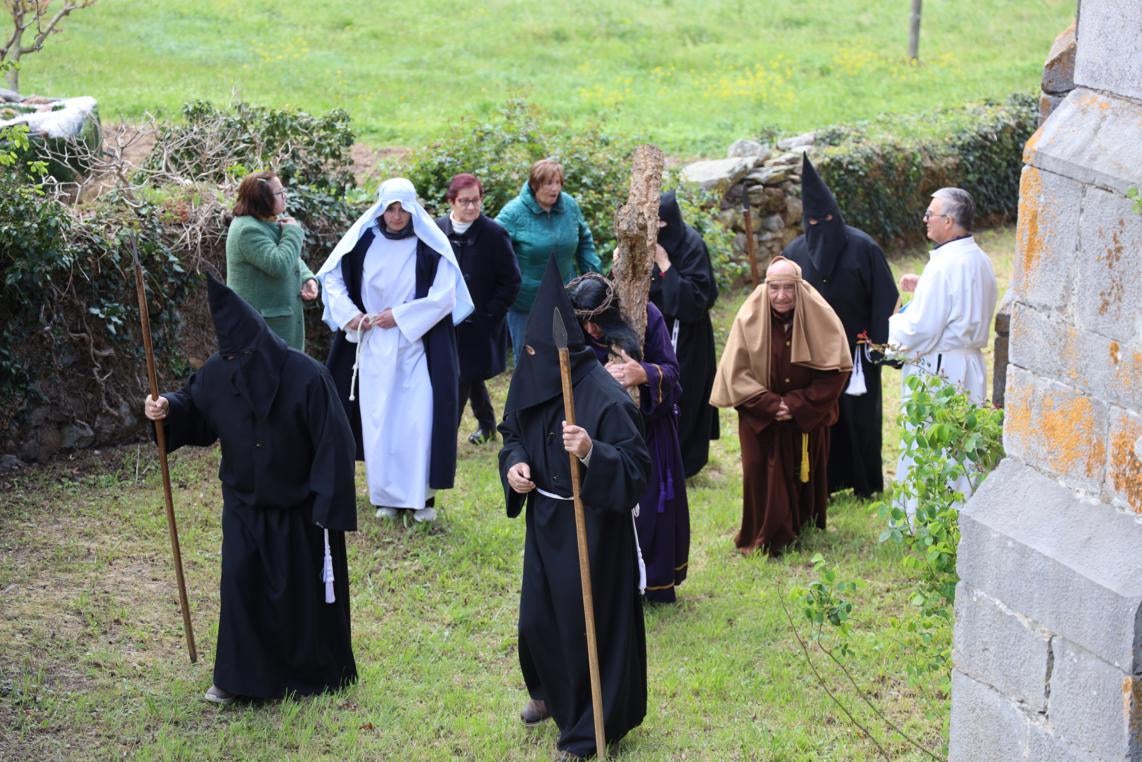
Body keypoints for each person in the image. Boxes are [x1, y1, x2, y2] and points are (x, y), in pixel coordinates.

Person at [143, 276, 358, 704]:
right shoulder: (218, 372)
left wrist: (328, 507)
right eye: (231, 357)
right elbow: (195, 409)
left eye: (246, 356)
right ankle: (238, 680)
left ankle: (309, 677)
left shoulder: (307, 377)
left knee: (299, 595)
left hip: (299, 509)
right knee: (240, 583)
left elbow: (336, 442)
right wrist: (166, 408)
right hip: (243, 504)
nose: (239, 365)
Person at [499, 256, 651, 759]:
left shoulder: (607, 399)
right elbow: (513, 432)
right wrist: (515, 465)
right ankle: (548, 693)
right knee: (538, 620)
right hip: (545, 519)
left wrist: (590, 450)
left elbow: (636, 471)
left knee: (588, 626)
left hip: (593, 530)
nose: (531, 359)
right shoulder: (536, 377)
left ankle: (590, 727)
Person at [317, 178, 474, 523]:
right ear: (381, 208)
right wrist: (352, 315)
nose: (397, 215)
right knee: (380, 420)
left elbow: (445, 295)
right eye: (391, 207)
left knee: (417, 420)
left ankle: (420, 499)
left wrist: (399, 317)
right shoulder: (363, 243)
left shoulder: (430, 245)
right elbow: (331, 278)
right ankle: (384, 496)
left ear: (413, 208)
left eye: (403, 207)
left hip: (417, 346)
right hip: (374, 346)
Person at [710, 257, 852, 555]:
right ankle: (763, 533)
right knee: (758, 471)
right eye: (774, 288)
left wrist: (798, 404)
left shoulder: (820, 314)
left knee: (803, 471)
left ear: (799, 288)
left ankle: (802, 525)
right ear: (766, 287)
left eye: (788, 288)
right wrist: (772, 405)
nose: (781, 296)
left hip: (805, 418)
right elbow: (736, 373)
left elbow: (836, 370)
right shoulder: (748, 316)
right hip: (761, 418)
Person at [567, 272, 689, 604]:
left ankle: (656, 585)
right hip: (603, 441)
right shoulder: (574, 335)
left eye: (598, 321)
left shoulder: (647, 316)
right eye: (585, 322)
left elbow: (673, 374)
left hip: (651, 434)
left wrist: (644, 374)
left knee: (650, 509)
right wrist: (597, 382)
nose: (592, 330)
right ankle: (615, 588)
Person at [783, 154, 899, 498]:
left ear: (838, 215)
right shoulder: (794, 253)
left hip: (857, 352)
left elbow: (883, 300)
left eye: (828, 219)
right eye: (814, 221)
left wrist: (880, 347)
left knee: (859, 419)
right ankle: (823, 483)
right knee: (819, 419)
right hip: (812, 355)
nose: (822, 227)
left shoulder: (864, 248)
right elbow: (780, 301)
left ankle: (866, 483)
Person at [888, 187, 998, 515]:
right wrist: (925, 288)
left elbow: (921, 327)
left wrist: (890, 324)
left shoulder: (944, 265)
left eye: (930, 214)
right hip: (969, 364)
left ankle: (926, 518)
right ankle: (962, 513)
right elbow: (960, 303)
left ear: (948, 221)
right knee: (963, 446)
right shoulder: (979, 258)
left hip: (940, 368)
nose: (925, 220)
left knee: (932, 443)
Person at [435, 173, 521, 445]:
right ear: (451, 201)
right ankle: (487, 425)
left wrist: (488, 316)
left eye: (476, 201)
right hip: (444, 321)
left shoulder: (494, 234)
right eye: (465, 201)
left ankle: (446, 437)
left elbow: (511, 281)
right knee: (466, 373)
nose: (471, 207)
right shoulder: (436, 230)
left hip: (480, 323)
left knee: (463, 375)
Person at [496, 158, 602, 364]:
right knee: (529, 361)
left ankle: (564, 397)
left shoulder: (569, 206)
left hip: (566, 297)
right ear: (535, 185)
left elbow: (585, 241)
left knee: (566, 357)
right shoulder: (514, 212)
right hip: (526, 303)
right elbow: (493, 249)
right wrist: (505, 287)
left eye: (558, 183)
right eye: (548, 183)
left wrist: (594, 279)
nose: (555, 189)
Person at [650, 190, 720, 479]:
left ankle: (685, 463)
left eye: (662, 224)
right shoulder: (646, 242)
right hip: (654, 330)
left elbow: (697, 300)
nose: (658, 231)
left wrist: (666, 266)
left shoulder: (692, 246)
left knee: (686, 395)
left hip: (687, 337)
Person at [225, 170, 319, 352]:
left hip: (276, 329)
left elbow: (291, 257)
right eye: (279, 193)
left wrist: (307, 277)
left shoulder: (267, 221)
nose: (285, 196)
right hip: (260, 333)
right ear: (262, 198)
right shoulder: (247, 230)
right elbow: (279, 264)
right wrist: (293, 232)